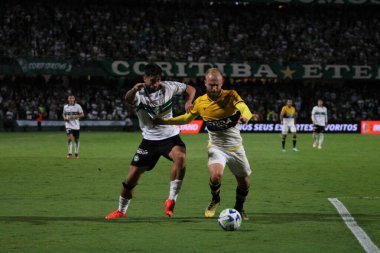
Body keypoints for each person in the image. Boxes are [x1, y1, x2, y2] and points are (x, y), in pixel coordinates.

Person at [155, 68, 253, 220]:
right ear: (205, 83)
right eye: (211, 85)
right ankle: (215, 199)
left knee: (245, 183)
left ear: (222, 83)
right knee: (215, 176)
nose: (214, 88)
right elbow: (186, 119)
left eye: (217, 85)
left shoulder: (231, 95)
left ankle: (239, 207)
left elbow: (244, 108)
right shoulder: (200, 102)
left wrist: (246, 116)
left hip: (236, 148)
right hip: (216, 147)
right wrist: (165, 121)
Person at [105, 63, 196, 219]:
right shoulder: (138, 94)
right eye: (152, 80)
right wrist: (134, 89)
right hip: (149, 140)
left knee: (181, 157)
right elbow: (127, 99)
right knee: (130, 179)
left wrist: (188, 102)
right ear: (144, 78)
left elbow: (190, 89)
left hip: (170, 136)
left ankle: (171, 199)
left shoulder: (168, 87)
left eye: (158, 80)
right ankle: (121, 210)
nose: (155, 84)